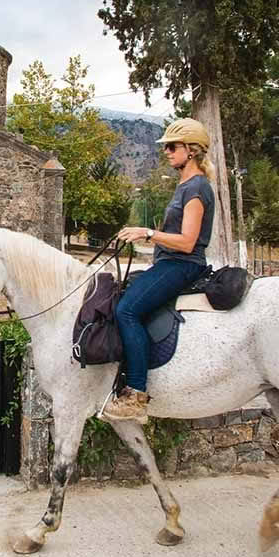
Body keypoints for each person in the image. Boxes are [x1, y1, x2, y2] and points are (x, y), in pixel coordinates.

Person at [103, 117, 215, 425]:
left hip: (182, 265)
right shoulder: (185, 184)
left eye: (171, 146)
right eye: (165, 146)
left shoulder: (196, 188)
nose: (166, 151)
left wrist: (147, 233)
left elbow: (188, 241)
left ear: (191, 150)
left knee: (126, 310)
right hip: (169, 263)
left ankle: (136, 394)